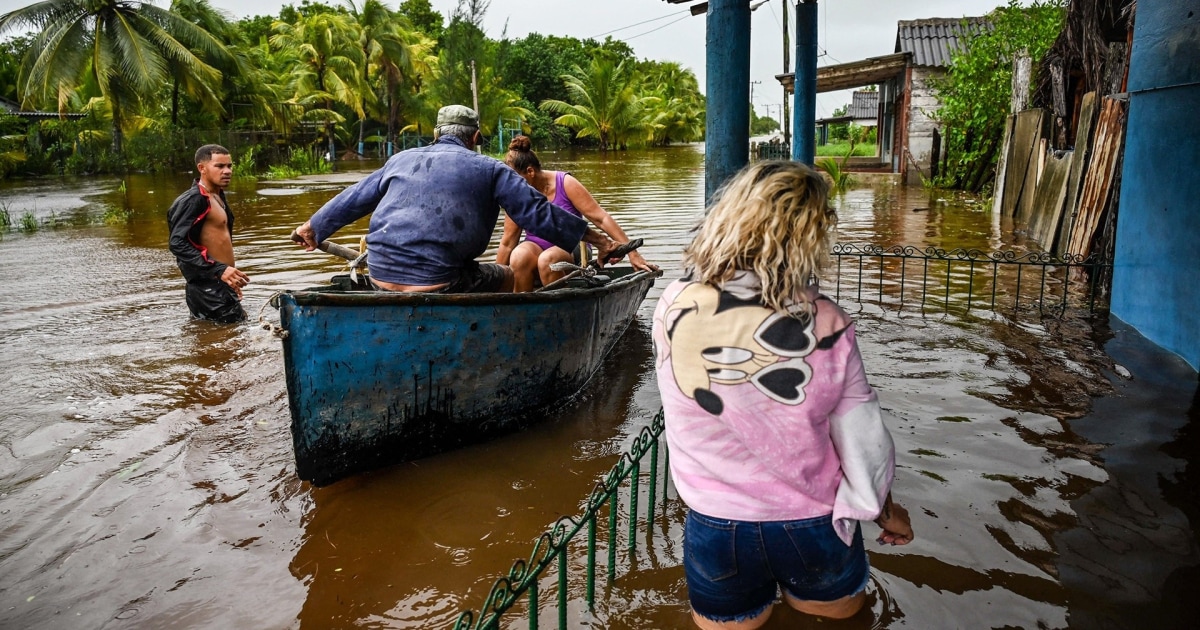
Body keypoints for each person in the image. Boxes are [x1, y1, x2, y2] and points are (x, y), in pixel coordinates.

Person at [651, 161, 913, 629]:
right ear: (812, 239)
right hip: (814, 523)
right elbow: (863, 441)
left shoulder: (673, 305)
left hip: (716, 525)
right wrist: (883, 511)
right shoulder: (830, 325)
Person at [292, 105, 625, 293]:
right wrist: (599, 240)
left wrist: (313, 227)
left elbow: (353, 198)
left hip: (380, 275)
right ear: (476, 138)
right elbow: (538, 213)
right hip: (440, 281)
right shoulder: (492, 170)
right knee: (507, 277)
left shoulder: (400, 159)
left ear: (436, 134)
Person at [497, 135, 658, 292]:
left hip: (572, 248)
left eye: (515, 179)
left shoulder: (564, 182)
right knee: (518, 257)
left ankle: (562, 314)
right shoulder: (517, 195)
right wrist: (494, 286)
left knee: (548, 260)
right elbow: (507, 243)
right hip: (535, 247)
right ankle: (522, 313)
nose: (513, 185)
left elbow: (601, 218)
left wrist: (632, 253)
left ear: (530, 171)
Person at [167, 144, 249, 323]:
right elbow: (177, 243)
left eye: (229, 166)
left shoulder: (217, 196)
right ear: (202, 168)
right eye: (219, 166)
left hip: (220, 284)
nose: (227, 171)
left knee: (225, 340)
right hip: (208, 290)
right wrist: (218, 269)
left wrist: (228, 278)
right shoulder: (193, 200)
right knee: (227, 342)